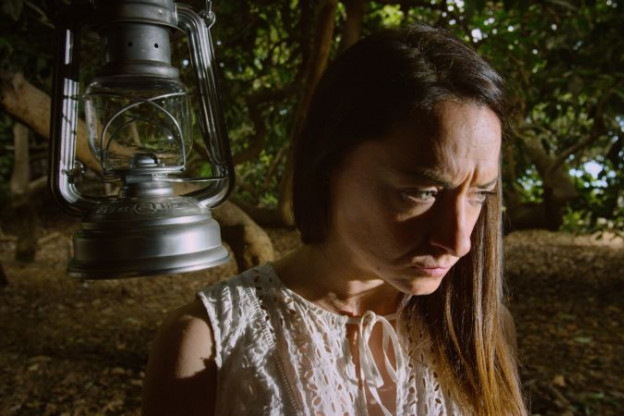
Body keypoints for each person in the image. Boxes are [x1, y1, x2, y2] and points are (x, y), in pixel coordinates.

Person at [142, 25, 527, 416]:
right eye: (421, 192)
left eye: (480, 194)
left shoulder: (483, 332)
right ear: (329, 164)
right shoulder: (208, 343)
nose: (459, 241)